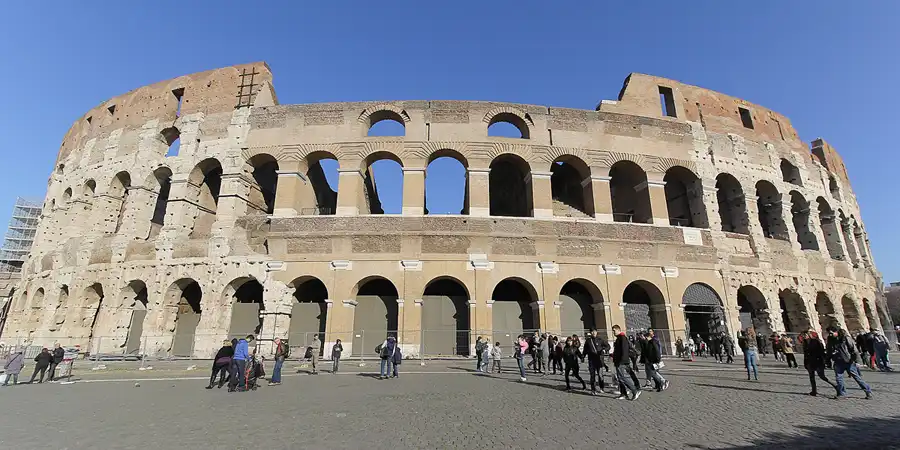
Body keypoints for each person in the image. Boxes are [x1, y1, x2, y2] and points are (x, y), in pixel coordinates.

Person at [826, 327, 872, 399]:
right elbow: (829, 350)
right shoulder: (830, 339)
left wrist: (857, 361)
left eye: (831, 333)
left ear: (836, 332)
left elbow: (854, 350)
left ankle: (867, 391)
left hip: (848, 361)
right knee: (839, 378)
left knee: (857, 377)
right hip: (838, 361)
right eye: (829, 333)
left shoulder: (845, 338)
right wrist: (828, 360)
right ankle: (842, 393)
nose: (830, 335)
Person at [802, 329, 836, 396]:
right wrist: (805, 363)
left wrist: (824, 361)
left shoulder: (815, 341)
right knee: (811, 378)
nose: (803, 336)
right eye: (803, 335)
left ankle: (836, 386)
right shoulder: (805, 343)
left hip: (817, 361)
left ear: (809, 335)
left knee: (822, 377)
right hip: (809, 362)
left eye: (804, 335)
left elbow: (821, 352)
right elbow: (805, 354)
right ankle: (814, 391)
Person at [612, 325, 641, 401]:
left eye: (614, 330)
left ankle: (634, 390)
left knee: (621, 377)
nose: (613, 332)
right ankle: (624, 393)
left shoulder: (622, 338)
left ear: (618, 330)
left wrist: (621, 360)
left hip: (621, 361)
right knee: (620, 377)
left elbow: (624, 350)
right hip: (620, 361)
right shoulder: (619, 338)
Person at [583, 329, 608, 395]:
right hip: (591, 360)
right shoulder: (588, 341)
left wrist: (604, 350)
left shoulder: (600, 339)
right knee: (592, 376)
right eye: (592, 332)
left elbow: (608, 346)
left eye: (594, 331)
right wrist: (583, 356)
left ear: (596, 332)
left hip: (599, 360)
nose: (593, 333)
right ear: (590, 333)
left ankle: (601, 388)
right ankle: (593, 389)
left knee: (600, 375)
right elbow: (585, 349)